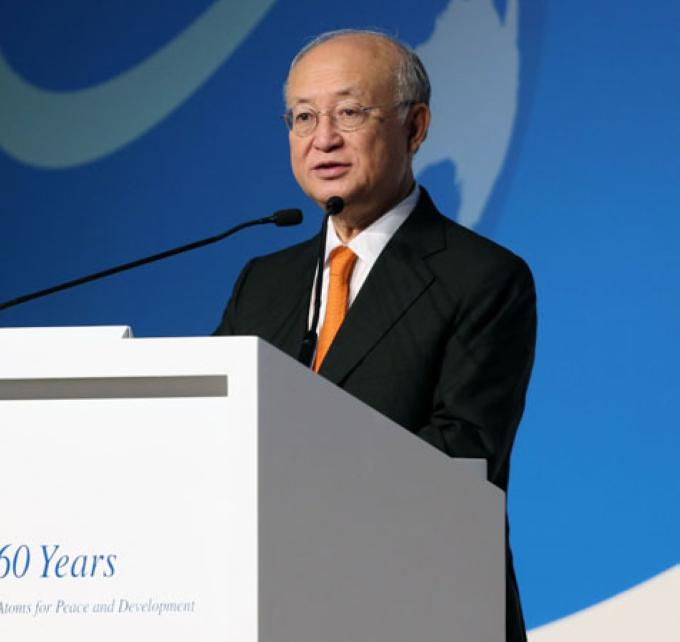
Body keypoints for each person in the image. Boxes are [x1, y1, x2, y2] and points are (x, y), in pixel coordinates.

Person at [215, 30, 536, 642]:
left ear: (415, 129)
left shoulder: (484, 278)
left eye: (349, 112)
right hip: (274, 607)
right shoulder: (264, 283)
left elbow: (460, 454)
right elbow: (210, 428)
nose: (323, 139)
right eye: (303, 117)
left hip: (421, 608)